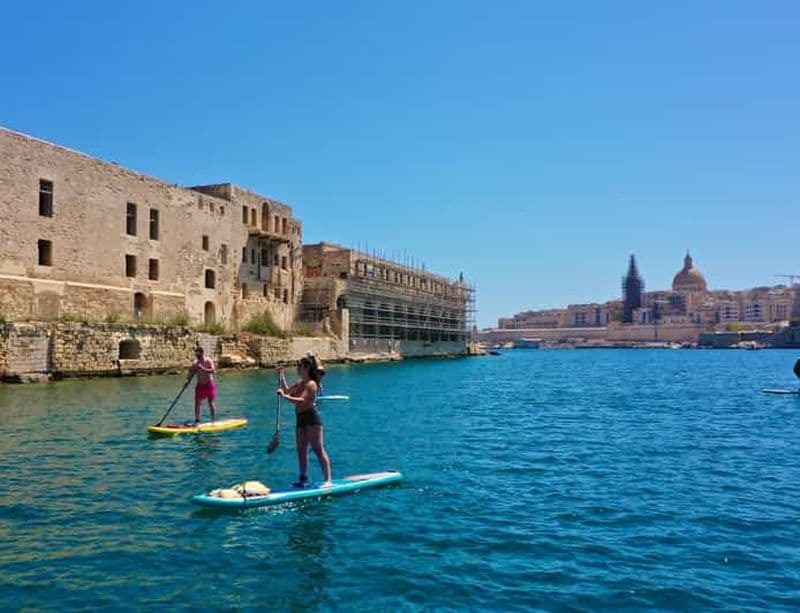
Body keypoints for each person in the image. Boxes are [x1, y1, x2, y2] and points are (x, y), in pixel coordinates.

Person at [278, 356, 332, 488]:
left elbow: (302, 400)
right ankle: (303, 480)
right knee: (301, 450)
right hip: (300, 418)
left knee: (318, 449)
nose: (297, 369)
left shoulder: (311, 384)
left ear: (306, 368)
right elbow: (286, 390)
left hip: (312, 419)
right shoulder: (299, 383)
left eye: (299, 366)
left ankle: (328, 480)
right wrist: (281, 375)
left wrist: (284, 396)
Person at [188, 346, 217, 425]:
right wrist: (187, 382)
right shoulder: (195, 363)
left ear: (202, 353)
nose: (197, 357)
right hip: (200, 385)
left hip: (209, 384)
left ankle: (213, 421)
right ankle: (197, 420)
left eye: (199, 355)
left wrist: (203, 368)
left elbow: (213, 371)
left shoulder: (208, 361)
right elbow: (191, 373)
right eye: (196, 355)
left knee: (210, 402)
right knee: (197, 403)